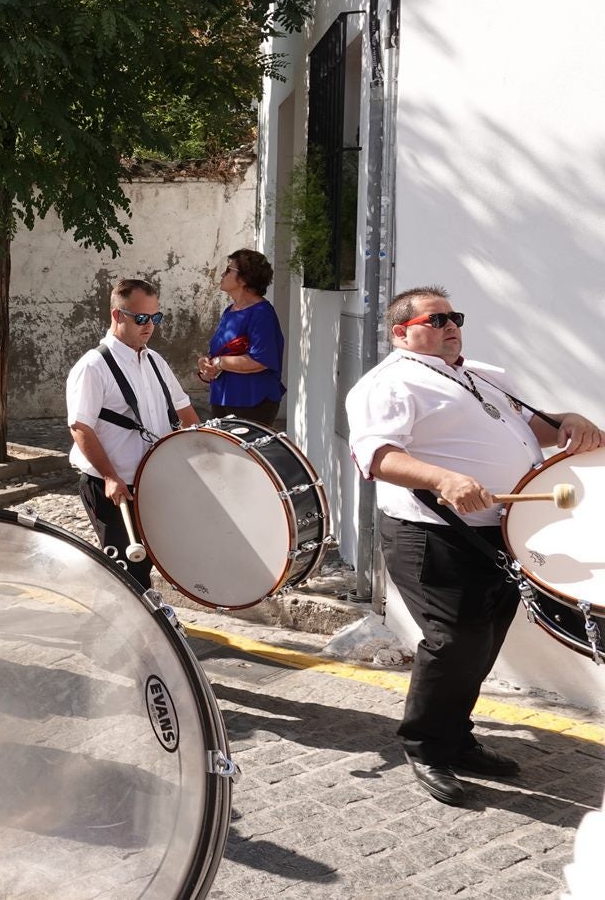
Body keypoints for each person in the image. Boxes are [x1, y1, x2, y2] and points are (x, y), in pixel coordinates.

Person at [346, 286, 601, 807]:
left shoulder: (482, 373)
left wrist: (564, 421)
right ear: (401, 332)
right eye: (435, 320)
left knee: (483, 641)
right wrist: (442, 478)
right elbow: (376, 456)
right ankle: (426, 746)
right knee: (454, 639)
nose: (449, 326)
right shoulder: (388, 383)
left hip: (500, 530)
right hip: (432, 532)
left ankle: (456, 738)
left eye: (453, 317)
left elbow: (521, 427)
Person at [67, 278, 200, 588]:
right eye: (141, 318)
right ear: (117, 316)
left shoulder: (155, 361)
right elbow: (80, 427)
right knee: (127, 572)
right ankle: (131, 631)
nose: (149, 325)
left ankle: (140, 629)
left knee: (149, 564)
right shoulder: (93, 366)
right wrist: (110, 476)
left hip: (152, 481)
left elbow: (185, 411)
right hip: (112, 487)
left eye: (156, 317)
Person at [195, 249, 285, 425]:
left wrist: (219, 363)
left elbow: (259, 361)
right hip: (223, 397)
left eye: (229, 270)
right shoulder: (230, 311)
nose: (222, 274)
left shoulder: (262, 313)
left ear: (244, 279)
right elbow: (219, 351)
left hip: (252, 401)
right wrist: (205, 362)